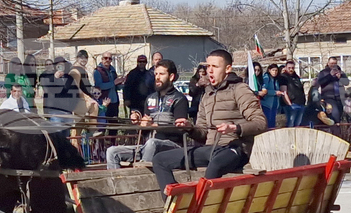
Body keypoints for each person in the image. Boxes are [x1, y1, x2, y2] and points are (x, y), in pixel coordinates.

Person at [151, 50, 266, 191]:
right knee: (159, 160)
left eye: (215, 67)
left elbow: (260, 122)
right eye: (208, 66)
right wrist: (189, 128)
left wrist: (235, 128)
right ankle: (174, 204)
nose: (209, 71)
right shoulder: (207, 94)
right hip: (210, 148)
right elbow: (203, 131)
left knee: (216, 163)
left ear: (228, 69)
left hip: (235, 149)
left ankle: (201, 206)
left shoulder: (240, 89)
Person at [106, 59, 188, 169]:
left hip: (172, 147)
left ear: (171, 77)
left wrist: (156, 126)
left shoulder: (179, 99)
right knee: (112, 151)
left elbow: (180, 129)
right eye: (156, 74)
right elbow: (144, 132)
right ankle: (116, 184)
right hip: (147, 147)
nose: (157, 77)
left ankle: (141, 178)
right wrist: (140, 122)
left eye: (162, 74)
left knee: (152, 143)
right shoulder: (150, 98)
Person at [38, 57, 76, 126]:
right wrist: (56, 78)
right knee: (56, 133)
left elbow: (75, 93)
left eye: (63, 65)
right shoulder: (48, 77)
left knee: (67, 134)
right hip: (54, 111)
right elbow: (48, 90)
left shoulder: (69, 78)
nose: (61, 67)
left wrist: (72, 107)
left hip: (67, 111)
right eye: (59, 65)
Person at [316, 57, 348, 127]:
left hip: (339, 97)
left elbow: (346, 82)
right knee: (335, 114)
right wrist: (330, 75)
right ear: (328, 63)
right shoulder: (323, 72)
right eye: (331, 63)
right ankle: (334, 131)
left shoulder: (340, 72)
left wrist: (340, 78)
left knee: (340, 115)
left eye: (335, 63)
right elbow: (320, 82)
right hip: (329, 97)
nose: (333, 65)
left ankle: (337, 131)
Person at [277, 60, 306, 128]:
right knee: (290, 123)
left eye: (292, 68)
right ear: (286, 68)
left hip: (300, 103)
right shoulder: (283, 77)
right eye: (289, 68)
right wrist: (289, 104)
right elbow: (284, 92)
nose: (291, 69)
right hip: (291, 104)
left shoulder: (296, 77)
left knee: (298, 124)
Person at [93, 52, 120, 122]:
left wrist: (121, 82)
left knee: (114, 125)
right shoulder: (97, 71)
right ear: (102, 59)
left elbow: (116, 86)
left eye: (110, 58)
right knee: (102, 126)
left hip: (114, 101)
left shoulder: (113, 70)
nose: (107, 60)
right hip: (103, 102)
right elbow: (99, 86)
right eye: (105, 58)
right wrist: (114, 83)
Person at [259, 64, 281, 129]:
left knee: (273, 122)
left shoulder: (276, 79)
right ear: (269, 70)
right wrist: (275, 92)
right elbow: (264, 91)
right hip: (267, 104)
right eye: (273, 70)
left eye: (276, 70)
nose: (275, 72)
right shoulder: (266, 78)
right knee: (268, 122)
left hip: (274, 104)